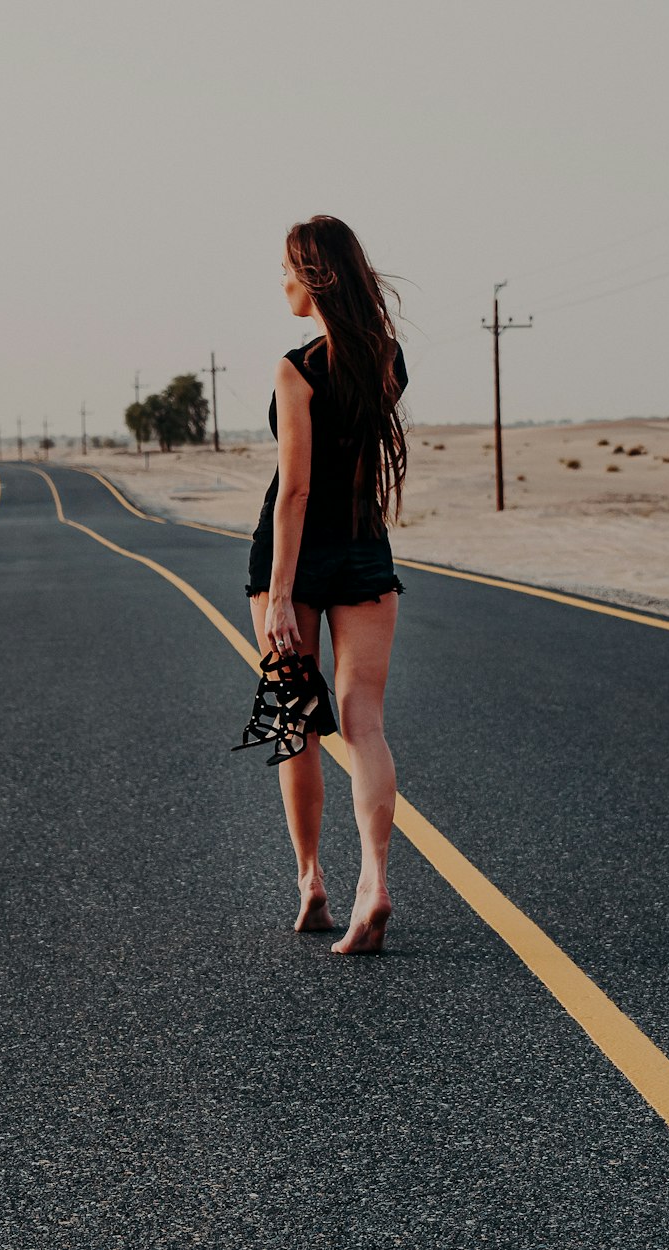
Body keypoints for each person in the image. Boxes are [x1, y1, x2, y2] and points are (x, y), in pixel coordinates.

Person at [244, 215, 409, 956]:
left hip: (297, 557)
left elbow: (295, 491)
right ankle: (373, 880)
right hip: (365, 549)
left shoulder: (295, 367)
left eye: (285, 268)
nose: (278, 281)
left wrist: (280, 593)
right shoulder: (387, 359)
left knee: (297, 720)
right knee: (363, 720)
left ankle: (312, 880)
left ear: (313, 278)